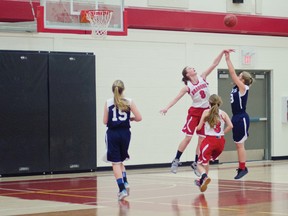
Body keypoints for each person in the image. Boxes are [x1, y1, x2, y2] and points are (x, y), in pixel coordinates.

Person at [160, 50, 231, 175]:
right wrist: (167, 107)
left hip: (206, 111)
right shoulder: (187, 87)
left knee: (201, 140)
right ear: (187, 74)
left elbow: (214, 64)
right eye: (190, 68)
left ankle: (195, 162)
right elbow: (176, 98)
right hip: (195, 112)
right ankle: (176, 159)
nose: (193, 68)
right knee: (188, 138)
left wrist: (221, 53)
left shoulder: (202, 77)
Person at [103, 80, 142, 201]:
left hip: (113, 134)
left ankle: (122, 189)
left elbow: (105, 121)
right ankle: (125, 182)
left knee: (115, 163)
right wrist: (131, 119)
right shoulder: (129, 101)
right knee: (121, 160)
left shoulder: (108, 102)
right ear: (123, 89)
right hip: (125, 133)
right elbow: (139, 118)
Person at [194, 94, 233, 192]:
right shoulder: (223, 113)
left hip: (209, 141)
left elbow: (199, 128)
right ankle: (202, 180)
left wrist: (196, 128)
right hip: (220, 142)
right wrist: (222, 133)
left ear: (209, 103)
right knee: (206, 161)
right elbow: (231, 126)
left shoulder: (206, 112)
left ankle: (204, 177)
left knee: (198, 164)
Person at [224, 51, 253, 179]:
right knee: (238, 144)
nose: (236, 77)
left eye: (239, 76)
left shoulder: (244, 88)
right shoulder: (235, 88)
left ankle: (243, 168)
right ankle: (242, 167)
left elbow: (232, 74)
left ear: (243, 80)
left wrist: (227, 59)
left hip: (241, 117)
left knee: (240, 145)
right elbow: (233, 76)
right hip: (235, 116)